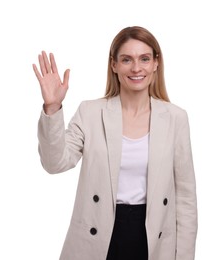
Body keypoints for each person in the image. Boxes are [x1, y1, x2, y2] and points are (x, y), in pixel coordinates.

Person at [33, 26, 198, 260]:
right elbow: (54, 163)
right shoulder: (90, 112)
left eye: (144, 58)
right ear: (114, 65)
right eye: (126, 59)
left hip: (154, 239)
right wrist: (52, 108)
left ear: (155, 64)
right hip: (97, 236)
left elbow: (186, 199)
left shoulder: (175, 118)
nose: (136, 67)